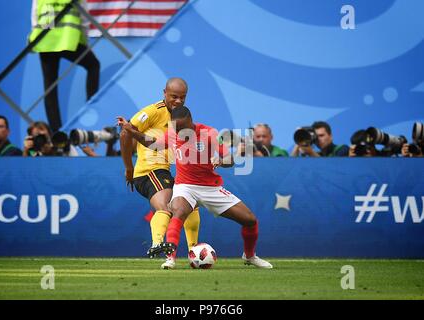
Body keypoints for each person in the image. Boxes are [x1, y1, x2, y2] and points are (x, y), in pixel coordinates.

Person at [118, 106, 273, 270]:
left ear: (191, 122)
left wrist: (220, 161)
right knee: (178, 212)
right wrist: (130, 129)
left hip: (210, 188)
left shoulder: (209, 133)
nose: (178, 132)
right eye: (175, 128)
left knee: (250, 220)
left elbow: (229, 159)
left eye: (181, 128)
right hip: (185, 186)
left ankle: (249, 256)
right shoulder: (173, 133)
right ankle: (170, 259)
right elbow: (152, 143)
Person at [119, 78, 201, 258]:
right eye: (174, 96)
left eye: (182, 97)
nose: (178, 101)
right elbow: (125, 132)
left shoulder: (181, 116)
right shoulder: (152, 112)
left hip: (165, 171)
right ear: (164, 93)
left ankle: (193, 250)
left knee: (189, 205)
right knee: (165, 206)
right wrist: (128, 168)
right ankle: (157, 244)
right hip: (149, 172)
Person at [29, 0, 100, 133]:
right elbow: (83, 16)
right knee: (93, 65)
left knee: (50, 86)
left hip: (46, 40)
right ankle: (92, 105)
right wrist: (84, 40)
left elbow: (35, 17)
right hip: (68, 39)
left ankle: (57, 132)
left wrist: (36, 37)